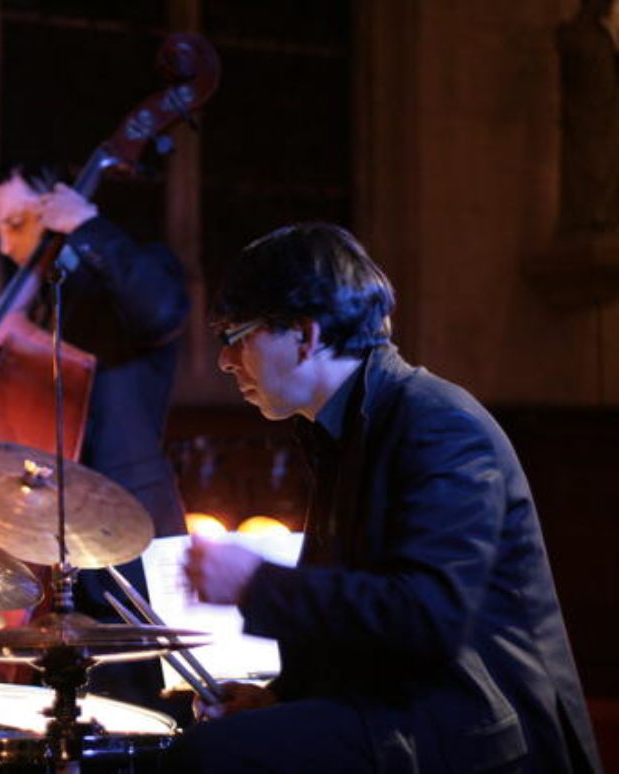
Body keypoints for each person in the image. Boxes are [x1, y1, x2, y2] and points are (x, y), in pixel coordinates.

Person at [172, 222, 601, 771]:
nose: (224, 361)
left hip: (484, 729)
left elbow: (426, 617)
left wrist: (254, 582)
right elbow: (367, 622)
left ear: (305, 335)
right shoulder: (345, 428)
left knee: (206, 757)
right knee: (215, 738)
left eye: (235, 335)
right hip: (411, 707)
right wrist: (281, 697)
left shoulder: (439, 423)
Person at [0, 163, 190, 713]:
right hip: (54, 538)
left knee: (147, 706)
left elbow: (162, 310)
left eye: (15, 223)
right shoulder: (51, 297)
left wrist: (87, 224)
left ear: (55, 206)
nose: (3, 246)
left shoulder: (128, 276)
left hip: (132, 525)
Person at [557, 0, 619, 234]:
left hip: (607, 120)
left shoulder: (602, 37)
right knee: (587, 169)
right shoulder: (573, 36)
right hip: (586, 125)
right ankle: (586, 218)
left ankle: (601, 217)